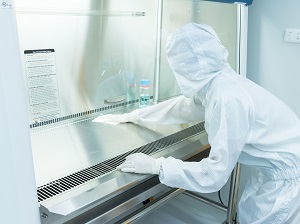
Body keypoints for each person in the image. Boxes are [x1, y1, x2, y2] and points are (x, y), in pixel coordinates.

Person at [94, 23, 300, 223]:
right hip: (275, 172)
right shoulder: (218, 83)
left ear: (185, 66)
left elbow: (214, 176)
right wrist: (135, 115)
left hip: (286, 183)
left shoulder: (227, 97)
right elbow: (185, 106)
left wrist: (157, 166)